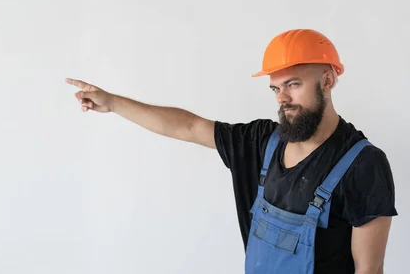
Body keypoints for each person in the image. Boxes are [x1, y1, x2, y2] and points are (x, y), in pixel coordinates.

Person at [66, 29, 397, 274]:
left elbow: (368, 271)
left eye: (293, 84)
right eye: (275, 88)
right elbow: (189, 126)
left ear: (327, 80)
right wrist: (113, 103)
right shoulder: (261, 141)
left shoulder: (363, 165)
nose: (282, 98)